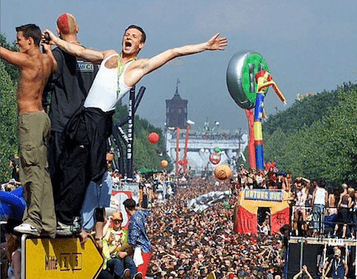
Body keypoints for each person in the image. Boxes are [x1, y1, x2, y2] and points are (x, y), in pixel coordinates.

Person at [43, 26, 227, 232]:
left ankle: (67, 218)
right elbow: (78, 51)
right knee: (65, 164)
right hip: (82, 117)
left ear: (141, 45)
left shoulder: (138, 67)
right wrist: (55, 41)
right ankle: (57, 214)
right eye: (126, 34)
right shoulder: (107, 56)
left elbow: (174, 52)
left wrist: (205, 45)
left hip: (97, 121)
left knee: (80, 170)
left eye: (134, 37)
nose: (128, 38)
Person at [0, 24, 57, 237]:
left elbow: (2, 53)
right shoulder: (47, 61)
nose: (17, 43)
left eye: (19, 39)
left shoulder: (28, 60)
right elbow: (53, 60)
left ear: (30, 41)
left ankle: (33, 219)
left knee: (31, 171)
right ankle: (48, 223)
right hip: (42, 117)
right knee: (42, 172)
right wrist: (49, 46)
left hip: (29, 120)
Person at [44, 13, 98, 181]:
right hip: (83, 127)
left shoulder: (56, 56)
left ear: (57, 31)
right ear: (77, 29)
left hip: (60, 125)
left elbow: (45, 84)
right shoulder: (90, 58)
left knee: (57, 175)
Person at [79, 151, 115, 244]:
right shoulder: (84, 174)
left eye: (110, 162)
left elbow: (100, 210)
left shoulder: (107, 180)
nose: (107, 164)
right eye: (105, 161)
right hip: (76, 226)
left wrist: (99, 237)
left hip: (87, 230)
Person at [103, 211, 139, 279]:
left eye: (119, 221)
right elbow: (105, 249)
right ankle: (122, 277)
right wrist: (110, 242)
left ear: (121, 221)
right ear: (112, 221)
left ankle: (134, 276)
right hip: (111, 258)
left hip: (123, 256)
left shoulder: (126, 233)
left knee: (129, 260)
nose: (117, 223)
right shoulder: (107, 231)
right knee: (117, 262)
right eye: (115, 221)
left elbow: (131, 247)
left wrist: (125, 253)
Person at [124, 198, 151, 278]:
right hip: (146, 248)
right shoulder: (140, 214)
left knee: (139, 275)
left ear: (126, 209)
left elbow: (132, 242)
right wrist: (134, 207)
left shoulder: (133, 221)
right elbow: (147, 211)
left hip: (141, 250)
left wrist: (120, 250)